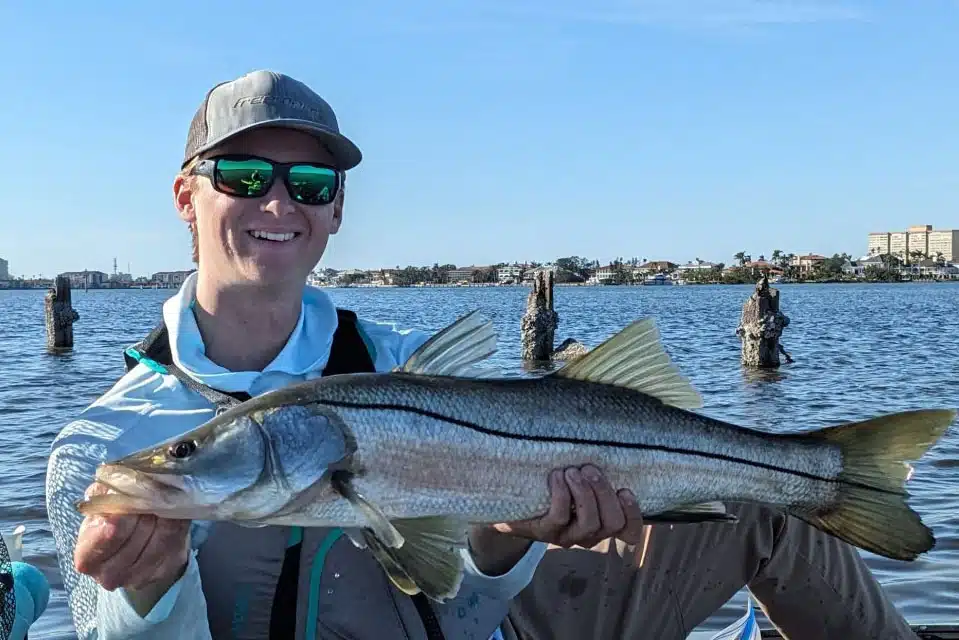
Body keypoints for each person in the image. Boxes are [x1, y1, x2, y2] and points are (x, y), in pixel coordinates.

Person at [44, 69, 648, 639]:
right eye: (244, 176)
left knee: (744, 514)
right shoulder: (101, 445)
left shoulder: (411, 369)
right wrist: (148, 593)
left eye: (310, 184)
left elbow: (469, 615)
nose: (279, 204)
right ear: (184, 196)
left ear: (336, 210)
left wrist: (506, 533)